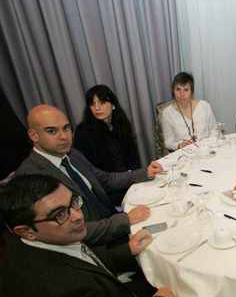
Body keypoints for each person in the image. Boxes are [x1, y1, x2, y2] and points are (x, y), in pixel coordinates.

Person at [0, 174, 176, 297]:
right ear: (26, 231)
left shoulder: (21, 242)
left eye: (73, 202)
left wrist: (127, 250)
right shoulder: (65, 291)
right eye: (59, 214)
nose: (78, 216)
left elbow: (80, 260)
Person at [16, 105, 163, 245]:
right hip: (98, 243)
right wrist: (124, 220)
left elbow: (105, 180)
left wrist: (144, 172)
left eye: (66, 128)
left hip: (112, 219)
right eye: (52, 131)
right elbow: (67, 231)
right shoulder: (30, 177)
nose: (64, 137)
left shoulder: (72, 155)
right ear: (33, 135)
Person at [74, 85, 141, 205]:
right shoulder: (83, 132)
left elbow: (133, 155)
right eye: (92, 104)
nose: (97, 108)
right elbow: (92, 172)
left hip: (130, 181)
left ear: (113, 104)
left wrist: (135, 177)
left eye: (102, 102)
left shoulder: (122, 123)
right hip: (108, 189)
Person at [161, 72, 217, 151]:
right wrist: (179, 145)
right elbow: (168, 142)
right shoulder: (167, 113)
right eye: (178, 89)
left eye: (186, 90)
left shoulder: (204, 106)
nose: (182, 94)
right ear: (173, 91)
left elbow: (214, 130)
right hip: (185, 153)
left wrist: (208, 144)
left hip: (207, 149)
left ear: (191, 91)